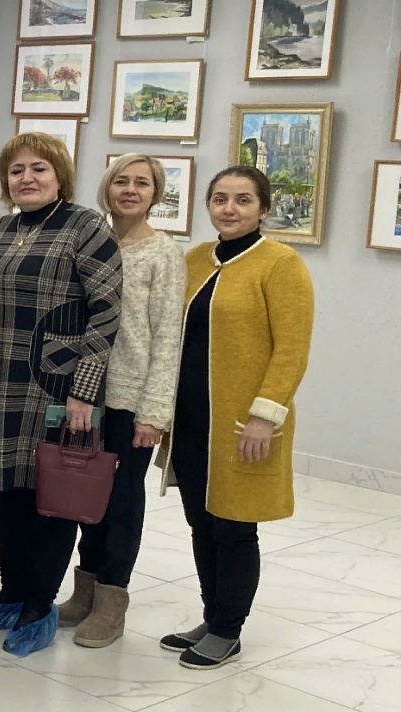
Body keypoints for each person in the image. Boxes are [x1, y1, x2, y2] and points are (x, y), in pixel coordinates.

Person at [0, 133, 121, 658]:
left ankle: (39, 604)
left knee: (52, 495)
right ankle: (11, 592)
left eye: (39, 168)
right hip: (4, 382)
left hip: (59, 387)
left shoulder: (86, 227)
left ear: (60, 176)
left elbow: (107, 313)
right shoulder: (1, 229)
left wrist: (84, 392)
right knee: (9, 490)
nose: (26, 178)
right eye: (16, 171)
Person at [156, 166, 313, 669]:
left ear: (263, 209)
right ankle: (212, 616)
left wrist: (266, 416)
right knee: (201, 522)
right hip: (191, 420)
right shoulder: (196, 259)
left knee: (234, 526)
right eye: (220, 198)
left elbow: (291, 350)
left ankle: (228, 629)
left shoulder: (280, 263)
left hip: (243, 424)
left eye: (243, 200)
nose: (230, 208)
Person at [57, 154, 186, 649]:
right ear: (107, 188)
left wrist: (154, 413)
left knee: (122, 501)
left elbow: (167, 336)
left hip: (131, 399)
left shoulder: (163, 254)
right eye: (121, 181)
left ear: (155, 194)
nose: (130, 190)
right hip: (83, 393)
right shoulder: (90, 242)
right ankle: (84, 591)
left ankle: (112, 602)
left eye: (142, 183)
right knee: (85, 496)